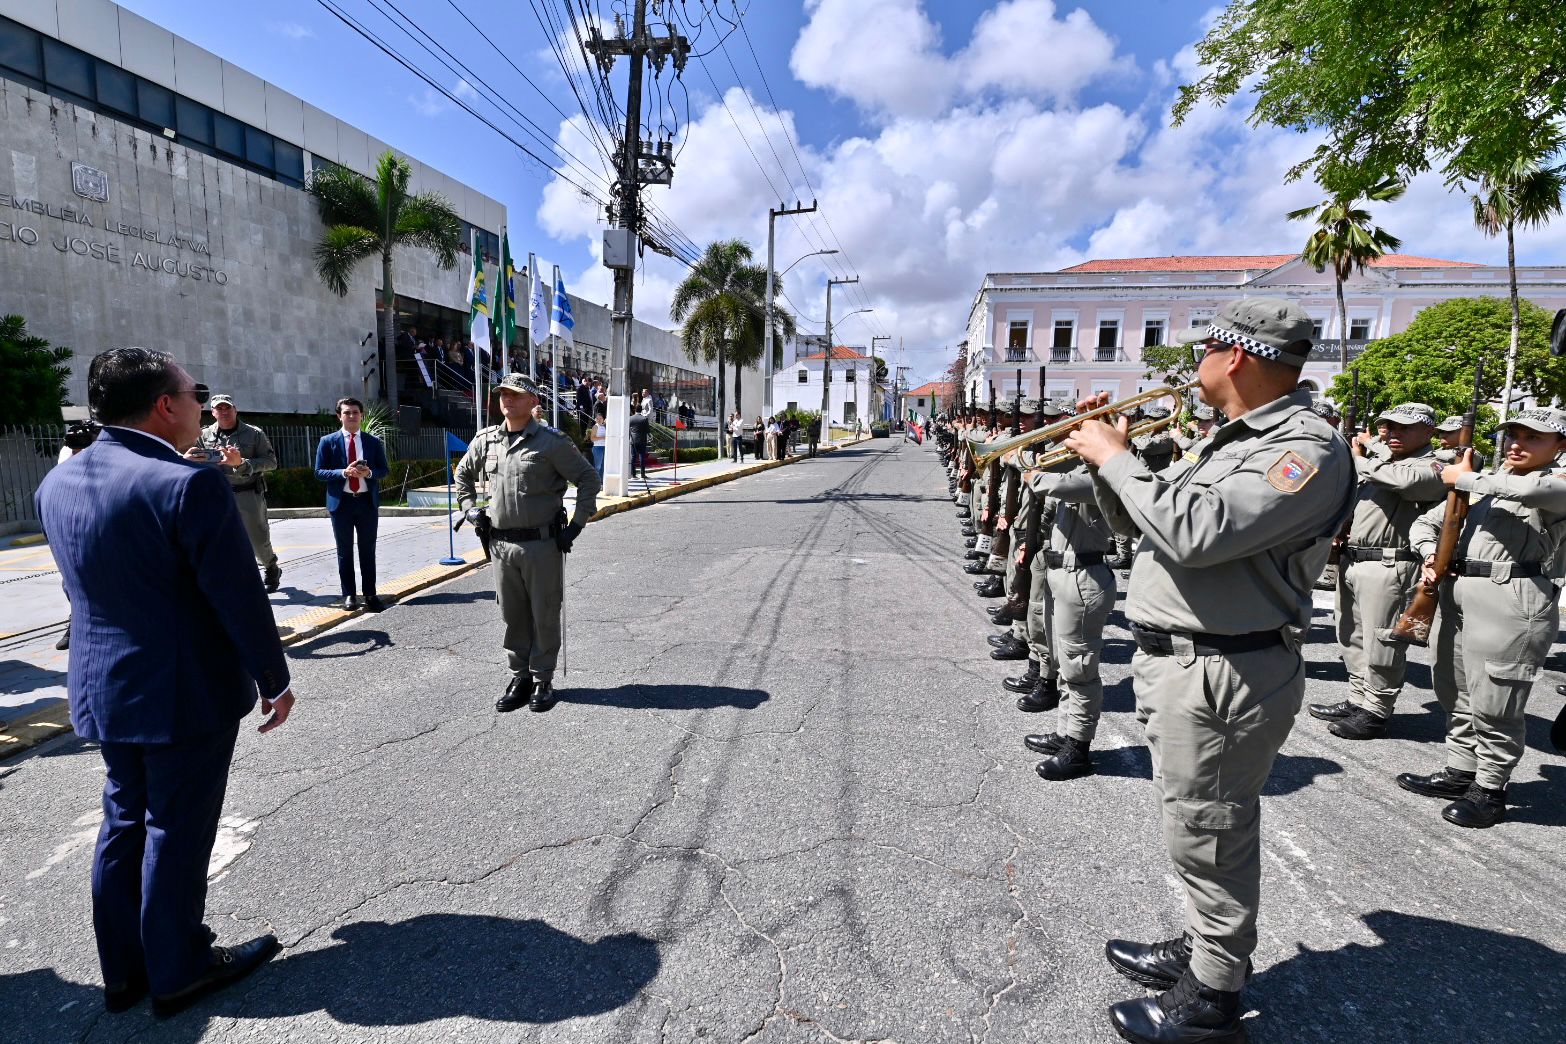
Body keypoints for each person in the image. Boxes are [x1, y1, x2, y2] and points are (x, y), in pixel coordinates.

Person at [1066, 297, 1353, 1043]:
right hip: (1192, 665)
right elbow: (1150, 524)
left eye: (1203, 354)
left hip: (1227, 671)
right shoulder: (1234, 440)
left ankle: (1212, 1000)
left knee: (1212, 830)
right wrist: (1111, 466)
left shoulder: (1304, 450)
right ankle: (1206, 948)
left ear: (1238, 358)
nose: (1191, 370)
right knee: (1196, 827)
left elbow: (1196, 534)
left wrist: (1114, 458)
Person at [36, 347, 293, 1017]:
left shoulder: (54, 484)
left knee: (124, 821)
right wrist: (273, 677)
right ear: (163, 407)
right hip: (182, 691)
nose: (201, 409)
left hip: (102, 687)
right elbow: (238, 596)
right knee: (176, 829)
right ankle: (178, 967)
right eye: (192, 396)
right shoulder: (185, 482)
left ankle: (124, 973)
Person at [1397, 407, 1566, 828]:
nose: (1517, 444)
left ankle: (1490, 790)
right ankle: (1460, 772)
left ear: (1560, 446)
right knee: (1455, 691)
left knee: (1496, 702)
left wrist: (1462, 477)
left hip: (1511, 599)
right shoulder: (1488, 488)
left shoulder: (1553, 486)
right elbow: (1426, 523)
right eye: (1513, 435)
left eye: (1532, 438)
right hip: (1458, 596)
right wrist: (1429, 555)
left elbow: (1526, 493)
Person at [454, 375, 600, 713]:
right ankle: (519, 676)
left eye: (516, 395)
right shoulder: (486, 440)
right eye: (503, 394)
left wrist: (576, 526)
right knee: (512, 614)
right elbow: (462, 474)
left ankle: (543, 678)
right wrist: (469, 508)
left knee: (544, 612)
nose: (507, 400)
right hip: (500, 546)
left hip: (542, 545)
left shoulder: (552, 442)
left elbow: (587, 479)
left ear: (533, 401)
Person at [1308, 403, 1445, 740]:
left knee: (1382, 642)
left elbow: (1406, 483)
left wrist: (1360, 454)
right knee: (1351, 635)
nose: (1394, 434)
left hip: (1392, 563)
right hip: (1355, 559)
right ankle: (1358, 699)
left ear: (1429, 432)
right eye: (1389, 427)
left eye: (1405, 428)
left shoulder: (1434, 465)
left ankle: (1377, 710)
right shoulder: (1382, 463)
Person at [192, 394, 282, 592]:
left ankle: (270, 566)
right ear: (213, 412)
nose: (224, 412)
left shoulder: (254, 434)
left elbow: (271, 463)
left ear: (235, 409)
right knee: (221, 539)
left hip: (247, 492)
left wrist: (242, 463)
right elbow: (195, 460)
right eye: (219, 409)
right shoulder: (203, 435)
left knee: (258, 538)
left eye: (227, 408)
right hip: (218, 494)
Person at [314, 398, 389, 612]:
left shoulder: (372, 441)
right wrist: (342, 473)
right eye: (347, 413)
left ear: (361, 415)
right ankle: (348, 594)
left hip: (366, 502)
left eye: (355, 412)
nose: (352, 416)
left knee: (368, 550)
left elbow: (384, 470)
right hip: (342, 504)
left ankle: (370, 594)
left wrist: (370, 473)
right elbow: (319, 472)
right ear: (339, 416)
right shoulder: (328, 441)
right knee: (344, 551)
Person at [628, 407, 651, 480]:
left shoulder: (630, 418)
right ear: (641, 410)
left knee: (633, 457)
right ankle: (642, 474)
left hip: (633, 440)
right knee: (642, 457)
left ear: (635, 410)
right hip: (642, 440)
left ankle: (633, 475)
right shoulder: (644, 419)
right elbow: (648, 431)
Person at [590, 402, 608, 479]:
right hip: (598, 448)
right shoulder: (595, 427)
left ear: (603, 419)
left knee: (603, 466)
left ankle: (601, 482)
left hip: (604, 447)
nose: (599, 420)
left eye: (601, 418)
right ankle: (596, 481)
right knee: (598, 466)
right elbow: (592, 438)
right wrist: (603, 438)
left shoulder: (604, 427)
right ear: (595, 419)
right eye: (598, 418)